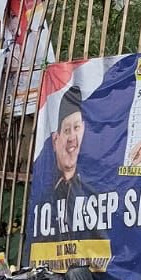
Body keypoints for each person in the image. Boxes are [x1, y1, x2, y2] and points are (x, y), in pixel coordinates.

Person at [49, 84, 90, 227]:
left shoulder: (92, 186)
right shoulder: (47, 191)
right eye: (67, 130)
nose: (72, 137)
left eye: (76, 128)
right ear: (55, 140)